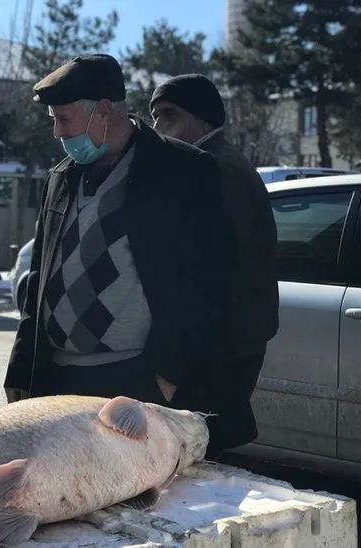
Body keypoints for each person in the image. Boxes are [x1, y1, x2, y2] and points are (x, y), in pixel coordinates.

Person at [3, 54, 238, 455]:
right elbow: (41, 275)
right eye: (54, 121)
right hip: (60, 377)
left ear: (105, 111)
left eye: (65, 119)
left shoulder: (182, 170)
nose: (57, 133)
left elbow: (209, 278)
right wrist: (22, 366)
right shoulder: (61, 176)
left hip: (135, 380)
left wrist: (168, 372)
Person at [150, 73, 279, 456]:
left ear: (203, 120)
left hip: (222, 341)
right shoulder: (206, 163)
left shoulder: (217, 169)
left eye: (168, 115)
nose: (158, 127)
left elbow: (211, 268)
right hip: (222, 336)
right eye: (154, 116)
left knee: (200, 456)